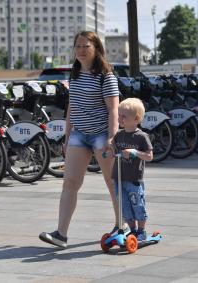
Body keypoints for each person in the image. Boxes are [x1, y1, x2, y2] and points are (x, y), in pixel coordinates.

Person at [39, 31, 120, 248]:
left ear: (96, 49)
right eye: (78, 46)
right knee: (70, 183)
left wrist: (112, 137)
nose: (82, 51)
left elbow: (113, 110)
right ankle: (61, 234)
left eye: (86, 46)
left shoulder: (106, 75)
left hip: (102, 135)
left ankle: (121, 225)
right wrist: (67, 137)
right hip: (79, 135)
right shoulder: (74, 75)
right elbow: (71, 107)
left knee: (112, 183)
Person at [112, 98, 153, 241]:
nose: (120, 118)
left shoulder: (141, 136)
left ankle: (141, 231)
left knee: (137, 204)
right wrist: (108, 150)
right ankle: (132, 230)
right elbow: (113, 149)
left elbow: (149, 156)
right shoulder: (119, 135)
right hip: (119, 176)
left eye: (124, 116)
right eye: (119, 115)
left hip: (134, 178)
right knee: (125, 206)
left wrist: (134, 152)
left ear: (136, 119)